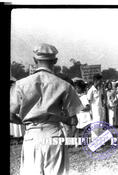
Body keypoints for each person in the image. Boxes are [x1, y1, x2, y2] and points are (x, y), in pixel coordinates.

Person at [10, 43, 83, 175]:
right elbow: (73, 121)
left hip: (31, 135)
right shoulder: (64, 85)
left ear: (35, 60)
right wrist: (59, 117)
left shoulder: (20, 84)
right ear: (55, 61)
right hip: (53, 134)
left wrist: (25, 122)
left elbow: (10, 115)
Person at [73, 80, 92, 147]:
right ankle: (76, 143)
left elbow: (88, 107)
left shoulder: (84, 97)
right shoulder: (76, 97)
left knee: (85, 130)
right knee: (76, 130)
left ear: (81, 88)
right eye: (75, 88)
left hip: (84, 116)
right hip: (78, 116)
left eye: (77, 88)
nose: (76, 89)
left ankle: (85, 142)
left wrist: (80, 108)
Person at [87, 74, 105, 139]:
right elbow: (88, 101)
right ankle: (94, 140)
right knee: (95, 125)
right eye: (100, 80)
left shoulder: (100, 89)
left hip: (100, 109)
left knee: (100, 124)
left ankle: (100, 140)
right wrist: (90, 112)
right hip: (94, 111)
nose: (101, 82)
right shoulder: (91, 90)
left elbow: (101, 98)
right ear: (96, 81)